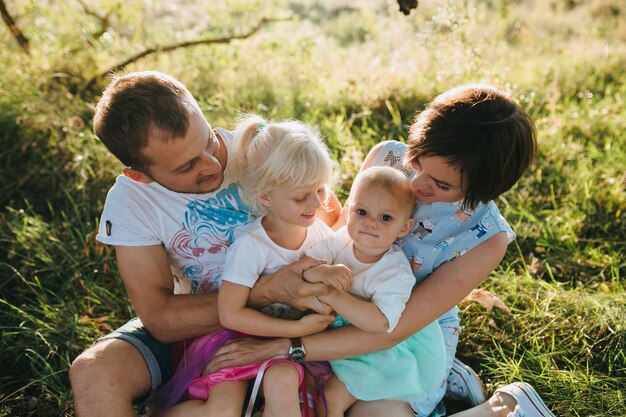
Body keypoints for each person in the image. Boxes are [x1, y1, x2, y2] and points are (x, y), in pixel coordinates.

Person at [202, 85, 556, 417]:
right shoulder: (387, 157)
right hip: (340, 304)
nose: (416, 184)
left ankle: (503, 408)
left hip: (406, 337)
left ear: (482, 190)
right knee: (301, 399)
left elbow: (395, 327)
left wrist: (287, 346)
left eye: (441, 184)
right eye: (417, 161)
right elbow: (342, 237)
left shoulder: (486, 237)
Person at [68, 71, 339, 417]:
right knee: (93, 372)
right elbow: (161, 319)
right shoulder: (131, 201)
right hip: (201, 327)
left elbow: (334, 222)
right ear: (140, 175)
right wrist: (263, 291)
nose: (213, 165)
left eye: (209, 141)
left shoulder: (259, 150)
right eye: (188, 165)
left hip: (299, 319)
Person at [152, 115, 343, 417]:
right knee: (221, 408)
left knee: (293, 392)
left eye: (320, 190)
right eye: (300, 196)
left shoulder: (321, 234)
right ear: (265, 196)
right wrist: (294, 329)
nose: (316, 204)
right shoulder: (252, 245)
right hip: (238, 337)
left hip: (291, 342)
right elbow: (230, 314)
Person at [304, 166, 446, 417]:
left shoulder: (394, 272)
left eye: (385, 218)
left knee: (331, 399)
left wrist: (334, 296)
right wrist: (322, 274)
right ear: (348, 212)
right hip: (343, 336)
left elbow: (380, 323)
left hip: (384, 351)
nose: (370, 223)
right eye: (362, 212)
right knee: (311, 388)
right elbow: (306, 268)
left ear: (404, 228)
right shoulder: (340, 241)